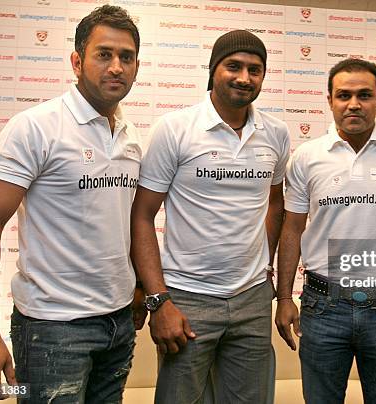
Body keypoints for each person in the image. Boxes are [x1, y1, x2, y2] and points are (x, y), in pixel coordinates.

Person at [0, 4, 143, 403]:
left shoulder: (131, 134)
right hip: (52, 330)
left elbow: (124, 222)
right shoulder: (35, 127)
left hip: (118, 324)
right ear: (77, 62)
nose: (116, 66)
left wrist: (137, 288)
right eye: (104, 54)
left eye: (126, 57)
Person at [130, 30, 290, 404]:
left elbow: (275, 203)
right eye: (233, 66)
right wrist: (158, 300)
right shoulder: (175, 129)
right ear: (213, 70)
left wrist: (261, 264)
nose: (244, 77)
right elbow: (141, 216)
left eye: (255, 69)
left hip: (251, 299)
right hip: (187, 298)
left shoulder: (277, 134)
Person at [275, 58, 376, 404]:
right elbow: (291, 230)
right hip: (322, 307)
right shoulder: (306, 156)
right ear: (330, 100)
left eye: (364, 95)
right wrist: (285, 297)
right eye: (343, 95)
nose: (353, 104)